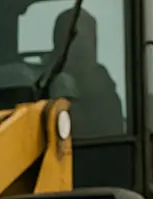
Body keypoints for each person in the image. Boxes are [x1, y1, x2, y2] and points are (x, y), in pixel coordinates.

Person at [50, 8, 125, 138]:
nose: (78, 46)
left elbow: (108, 141)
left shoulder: (105, 95)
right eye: (70, 39)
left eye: (83, 40)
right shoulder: (38, 87)